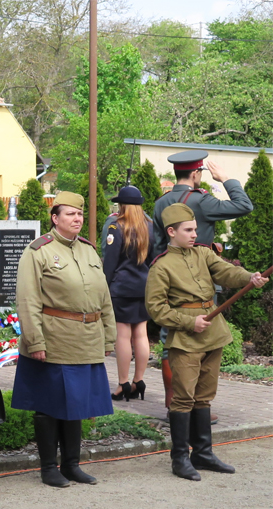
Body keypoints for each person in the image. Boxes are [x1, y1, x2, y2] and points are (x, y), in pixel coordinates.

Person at [145, 203, 267, 481]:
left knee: (204, 396)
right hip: (186, 338)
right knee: (183, 398)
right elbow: (155, 309)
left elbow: (225, 272)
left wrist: (250, 277)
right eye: (188, 230)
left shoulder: (203, 253)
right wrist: (190, 322)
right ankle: (179, 458)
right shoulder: (162, 266)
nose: (193, 234)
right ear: (172, 232)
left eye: (195, 229)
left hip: (213, 332)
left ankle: (202, 453)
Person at [12, 191, 116, 488]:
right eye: (70, 214)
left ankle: (72, 465)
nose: (77, 219)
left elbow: (104, 298)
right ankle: (48, 467)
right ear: (55, 218)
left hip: (86, 340)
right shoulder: (38, 251)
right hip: (55, 339)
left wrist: (109, 336)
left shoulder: (89, 250)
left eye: (80, 214)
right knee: (49, 404)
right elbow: (28, 300)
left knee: (78, 405)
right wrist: (35, 342)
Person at [150, 150, 253, 411]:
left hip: (166, 274)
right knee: (202, 345)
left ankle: (172, 400)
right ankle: (193, 404)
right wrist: (227, 179)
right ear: (196, 173)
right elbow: (244, 206)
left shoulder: (161, 202)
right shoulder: (202, 201)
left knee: (169, 343)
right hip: (199, 277)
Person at [101, 185, 155, 401]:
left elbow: (110, 262)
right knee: (141, 333)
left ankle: (123, 383)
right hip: (144, 287)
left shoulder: (116, 227)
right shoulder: (150, 226)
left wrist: (104, 286)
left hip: (122, 288)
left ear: (122, 205)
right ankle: (138, 381)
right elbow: (153, 259)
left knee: (122, 335)